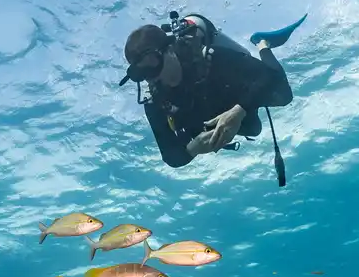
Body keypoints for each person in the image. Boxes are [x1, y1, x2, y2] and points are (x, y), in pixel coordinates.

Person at [120, 11, 306, 174]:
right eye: (141, 73)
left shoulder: (208, 58)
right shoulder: (155, 102)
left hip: (234, 93)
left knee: (284, 97)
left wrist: (239, 110)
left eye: (153, 64)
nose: (153, 78)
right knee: (254, 130)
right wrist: (193, 148)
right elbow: (171, 156)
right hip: (211, 113)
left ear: (170, 50)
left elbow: (271, 77)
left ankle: (261, 43)